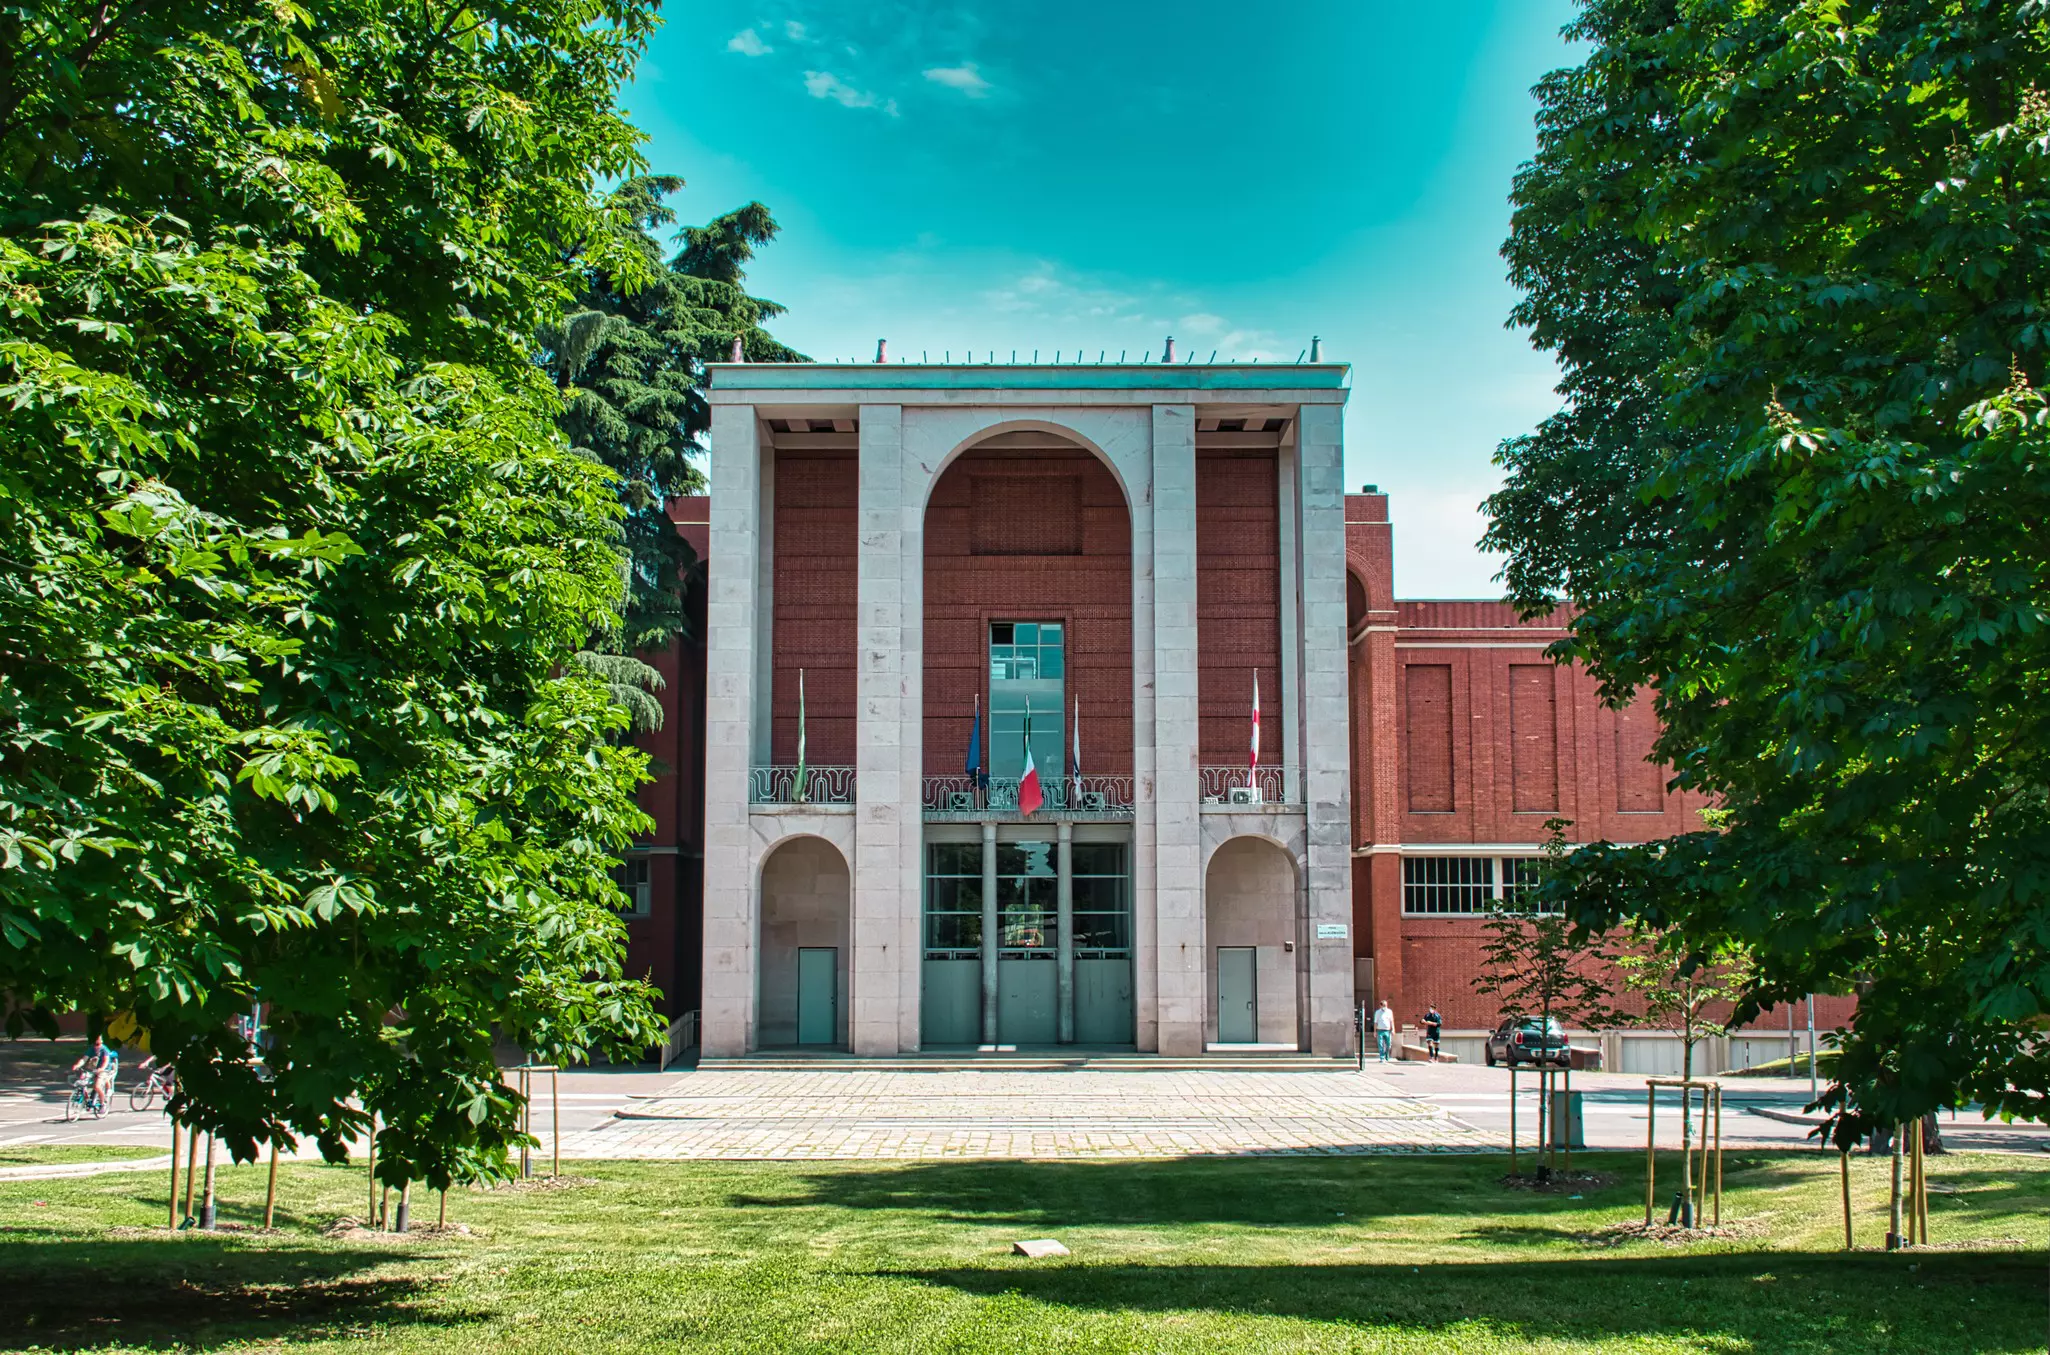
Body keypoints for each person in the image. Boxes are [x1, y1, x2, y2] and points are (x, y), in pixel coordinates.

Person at [71, 1036, 118, 1112]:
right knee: (83, 1081)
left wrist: (102, 1069)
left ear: (101, 1041)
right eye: (95, 1040)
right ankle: (87, 1100)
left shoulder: (104, 1050)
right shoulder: (92, 1049)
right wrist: (77, 1065)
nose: (96, 1043)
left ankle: (103, 1103)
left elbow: (106, 1061)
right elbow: (84, 1059)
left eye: (98, 1040)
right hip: (93, 1069)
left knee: (97, 1086)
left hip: (104, 1070)